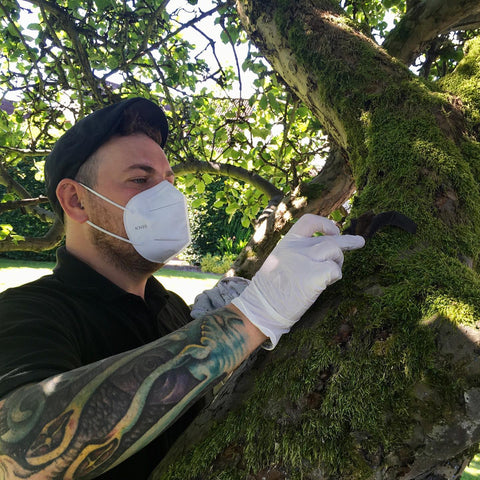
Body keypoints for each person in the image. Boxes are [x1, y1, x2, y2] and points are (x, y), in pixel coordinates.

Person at [0, 97, 365, 479]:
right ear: (75, 200)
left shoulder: (171, 307)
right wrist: (251, 317)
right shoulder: (26, 311)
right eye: (141, 180)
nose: (169, 198)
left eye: (170, 182)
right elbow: (17, 455)